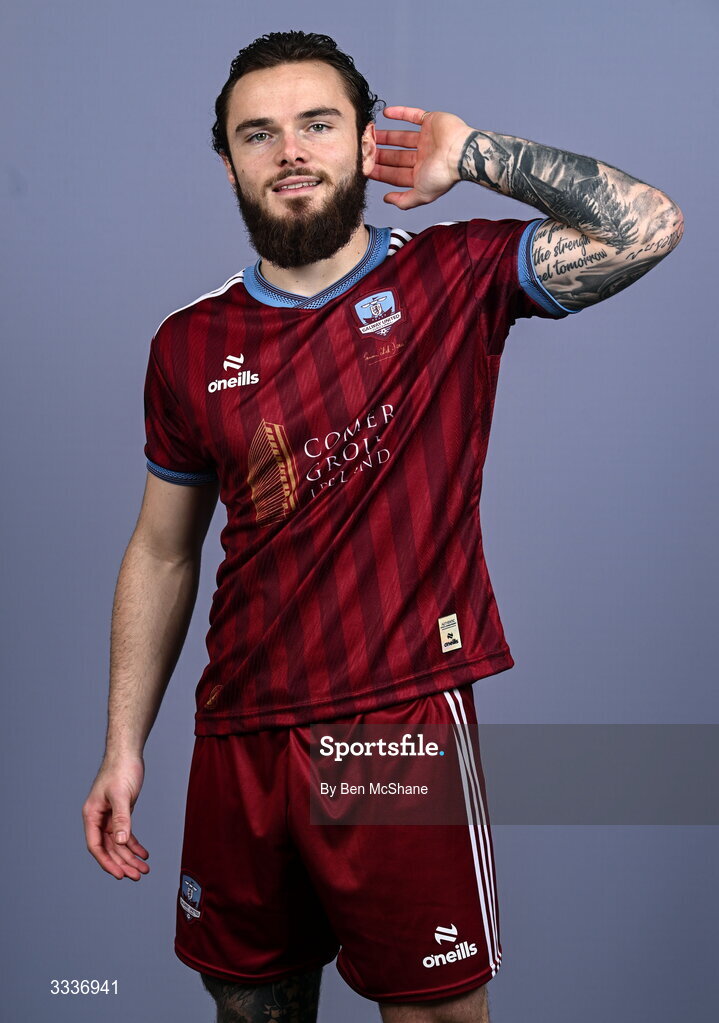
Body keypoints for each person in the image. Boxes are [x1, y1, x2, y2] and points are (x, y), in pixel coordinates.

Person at [82, 30, 684, 1023]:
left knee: (433, 1014)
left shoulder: (451, 277)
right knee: (247, 1004)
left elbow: (647, 227)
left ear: (364, 141)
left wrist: (477, 153)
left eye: (316, 125)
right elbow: (162, 549)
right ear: (229, 160)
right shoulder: (188, 343)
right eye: (258, 134)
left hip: (390, 727)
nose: (289, 152)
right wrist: (123, 746)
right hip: (237, 731)